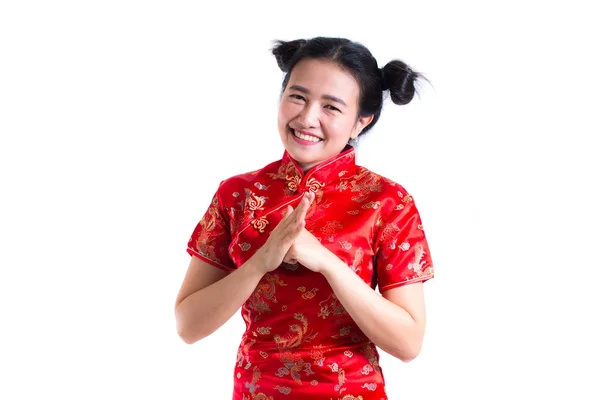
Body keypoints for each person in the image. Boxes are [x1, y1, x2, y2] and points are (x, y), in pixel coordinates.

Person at [175, 36, 435, 400]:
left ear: (361, 122)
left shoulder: (388, 202)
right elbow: (188, 325)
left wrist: (327, 262)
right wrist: (259, 263)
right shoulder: (237, 194)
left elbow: (408, 343)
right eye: (297, 97)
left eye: (331, 107)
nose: (307, 117)